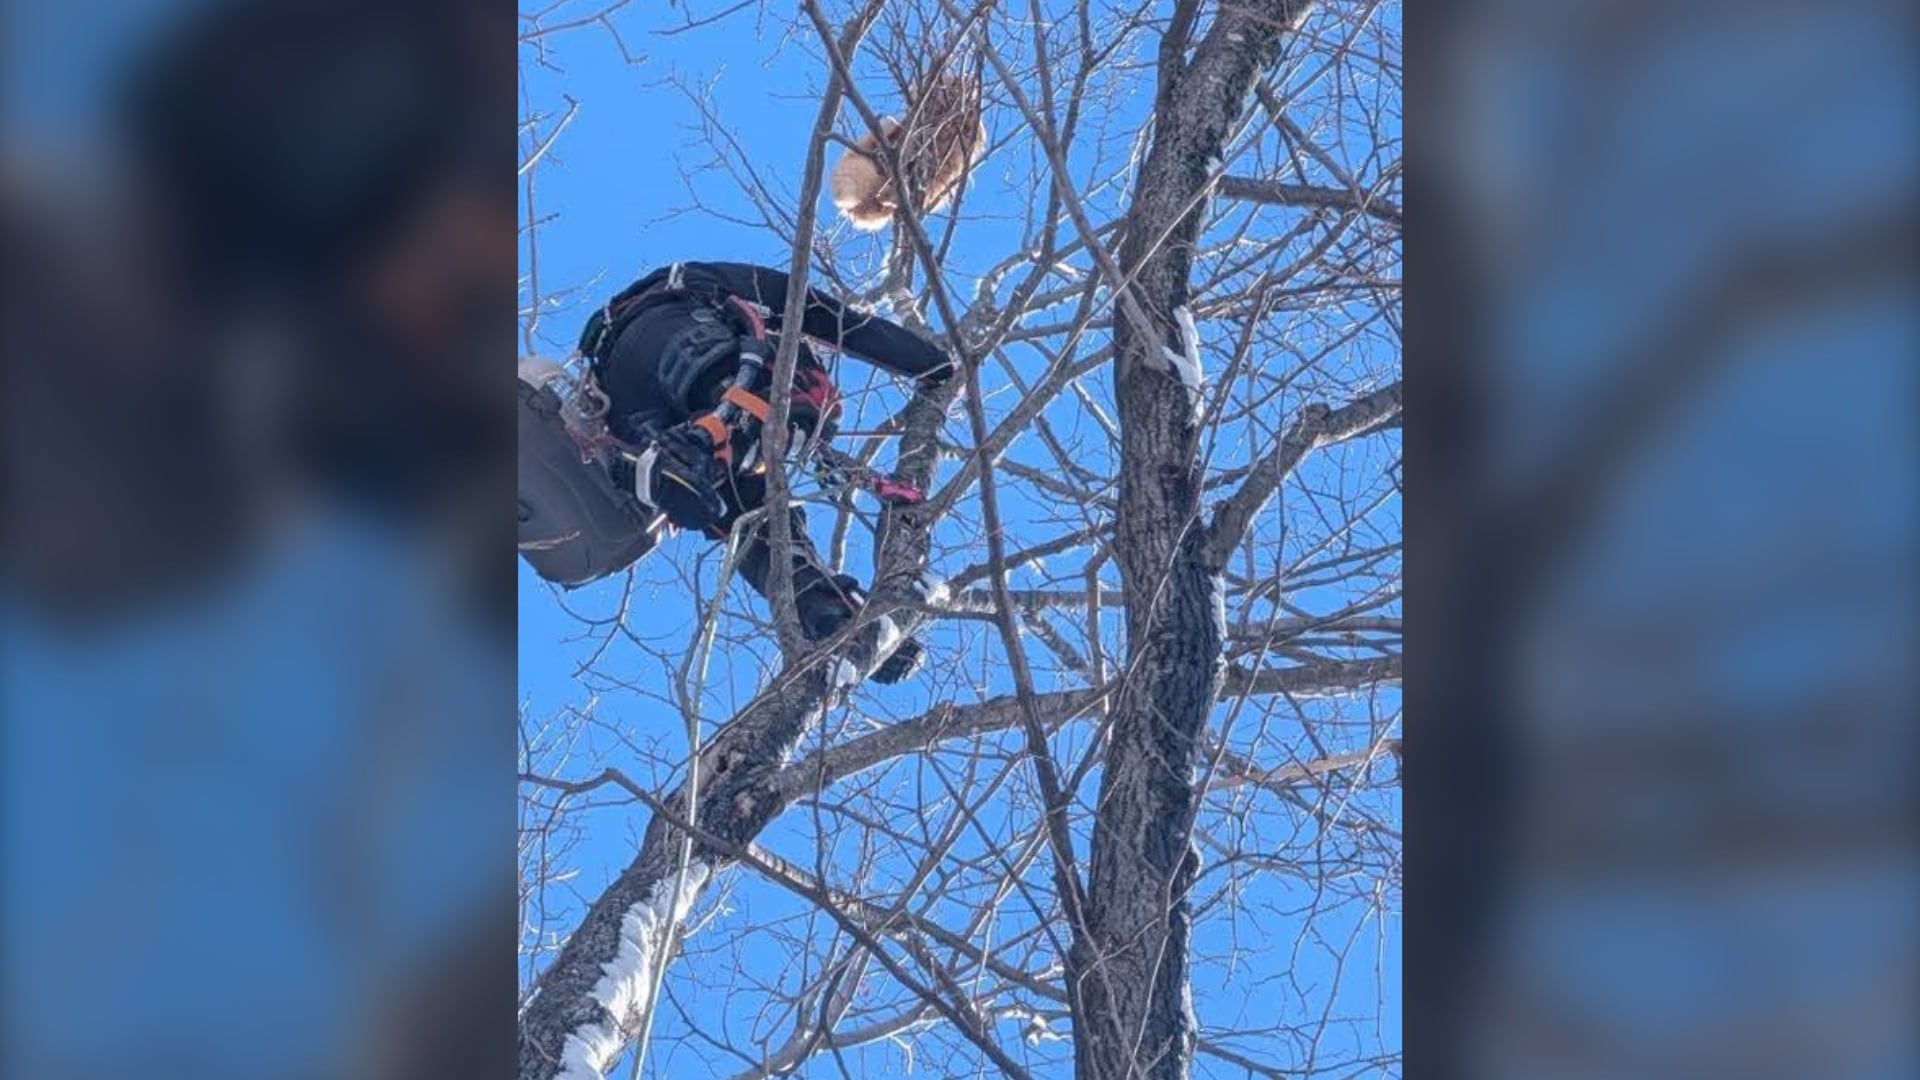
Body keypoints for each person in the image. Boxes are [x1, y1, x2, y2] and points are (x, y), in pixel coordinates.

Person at [518, 261, 952, 683]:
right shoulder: (709, 281)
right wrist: (932, 365)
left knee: (746, 513)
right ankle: (691, 452)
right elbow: (832, 318)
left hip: (627, 399)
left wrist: (875, 637)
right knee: (802, 411)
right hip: (678, 341)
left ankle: (825, 609)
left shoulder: (685, 292)